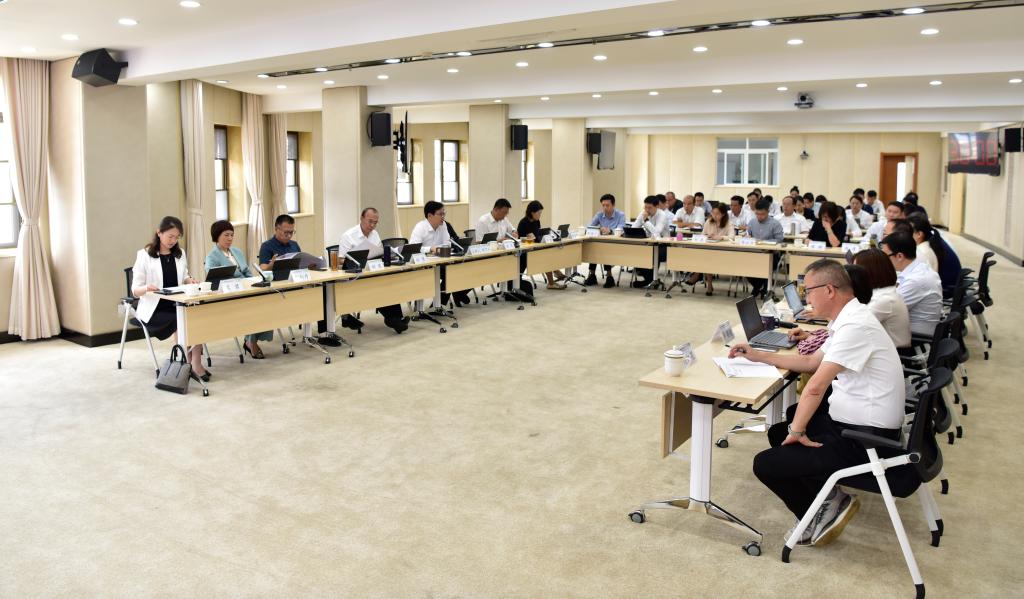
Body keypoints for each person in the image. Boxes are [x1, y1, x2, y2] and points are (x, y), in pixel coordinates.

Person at [734, 259, 904, 547]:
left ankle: (816, 514)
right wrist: (758, 355)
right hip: (855, 424)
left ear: (829, 290)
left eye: (808, 291)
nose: (806, 299)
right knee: (778, 432)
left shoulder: (855, 326)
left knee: (765, 464)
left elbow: (815, 386)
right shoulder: (848, 318)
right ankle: (829, 496)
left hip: (866, 439)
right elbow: (811, 362)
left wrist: (798, 431)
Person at [132, 216, 208, 380]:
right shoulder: (144, 255)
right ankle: (186, 364)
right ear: (159, 233)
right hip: (155, 308)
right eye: (170, 236)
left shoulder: (180, 254)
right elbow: (135, 290)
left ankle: (195, 363)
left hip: (177, 303)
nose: (173, 241)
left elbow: (184, 276)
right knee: (182, 321)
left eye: (177, 237)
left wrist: (189, 280)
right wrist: (146, 288)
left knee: (197, 316)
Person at [204, 220, 273, 358]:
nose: (230, 238)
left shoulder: (237, 251)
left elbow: (247, 272)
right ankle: (251, 342)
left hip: (246, 289)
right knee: (254, 306)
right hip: (230, 295)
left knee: (266, 302)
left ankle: (251, 339)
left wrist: (254, 281)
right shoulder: (212, 257)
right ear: (217, 236)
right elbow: (214, 281)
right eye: (226, 235)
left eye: (232, 235)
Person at [338, 208, 410, 333]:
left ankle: (396, 318)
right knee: (378, 287)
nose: (372, 225)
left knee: (388, 283)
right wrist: (357, 260)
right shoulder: (348, 236)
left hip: (372, 271)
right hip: (355, 276)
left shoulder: (375, 234)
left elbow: (378, 253)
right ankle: (394, 319)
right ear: (361, 218)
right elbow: (340, 260)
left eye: (375, 223)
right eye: (370, 221)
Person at [409, 201, 471, 307]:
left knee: (454, 273)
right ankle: (434, 306)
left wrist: (439, 249)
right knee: (448, 274)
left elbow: (447, 243)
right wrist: (430, 249)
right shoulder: (420, 227)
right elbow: (413, 249)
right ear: (430, 215)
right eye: (440, 214)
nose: (443, 217)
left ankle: (439, 305)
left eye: (444, 213)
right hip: (422, 265)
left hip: (439, 261)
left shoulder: (443, 225)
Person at [881, 232, 943, 338]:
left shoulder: (916, 280)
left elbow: (887, 311)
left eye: (885, 256)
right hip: (911, 332)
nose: (883, 261)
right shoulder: (919, 268)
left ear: (899, 256)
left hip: (916, 339)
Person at [853, 249, 911, 348]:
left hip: (896, 354)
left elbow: (854, 327)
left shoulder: (884, 299)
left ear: (870, 272)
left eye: (856, 271)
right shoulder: (881, 293)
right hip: (881, 349)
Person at [685, 203, 734, 295]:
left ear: (723, 214)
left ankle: (697, 275)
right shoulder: (708, 221)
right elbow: (702, 235)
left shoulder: (728, 223)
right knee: (707, 257)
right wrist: (707, 236)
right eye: (713, 213)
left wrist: (721, 237)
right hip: (709, 249)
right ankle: (709, 285)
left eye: (717, 214)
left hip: (723, 252)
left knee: (707, 258)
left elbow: (732, 237)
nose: (714, 216)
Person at [518, 200, 566, 290]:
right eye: (539, 213)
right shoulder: (523, 223)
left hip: (537, 246)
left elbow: (538, 235)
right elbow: (520, 240)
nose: (540, 215)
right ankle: (552, 280)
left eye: (541, 213)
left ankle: (555, 272)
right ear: (532, 212)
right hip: (527, 251)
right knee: (546, 255)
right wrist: (528, 238)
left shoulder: (537, 221)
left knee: (550, 250)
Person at [745, 198, 784, 298]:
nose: (759, 216)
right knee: (744, 265)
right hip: (754, 253)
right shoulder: (752, 222)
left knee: (766, 266)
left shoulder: (775, 223)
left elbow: (779, 240)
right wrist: (747, 238)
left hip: (771, 254)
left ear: (768, 211)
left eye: (762, 214)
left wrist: (764, 243)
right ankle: (759, 287)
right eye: (757, 214)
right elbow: (748, 236)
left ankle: (761, 288)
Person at [585, 193, 626, 288]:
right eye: (603, 205)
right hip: (602, 243)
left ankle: (609, 277)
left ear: (613, 205)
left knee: (603, 248)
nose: (605, 208)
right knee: (593, 247)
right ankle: (592, 275)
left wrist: (610, 231)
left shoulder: (620, 215)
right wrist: (598, 229)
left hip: (616, 244)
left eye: (607, 205)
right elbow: (589, 227)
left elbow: (621, 229)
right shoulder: (599, 214)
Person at [632, 195, 671, 288]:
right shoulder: (643, 213)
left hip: (664, 245)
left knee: (651, 253)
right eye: (645, 207)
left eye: (649, 208)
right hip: (649, 244)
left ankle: (651, 280)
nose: (647, 210)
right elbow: (634, 227)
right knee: (636, 252)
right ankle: (650, 280)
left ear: (657, 206)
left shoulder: (662, 215)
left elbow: (656, 233)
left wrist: (646, 220)